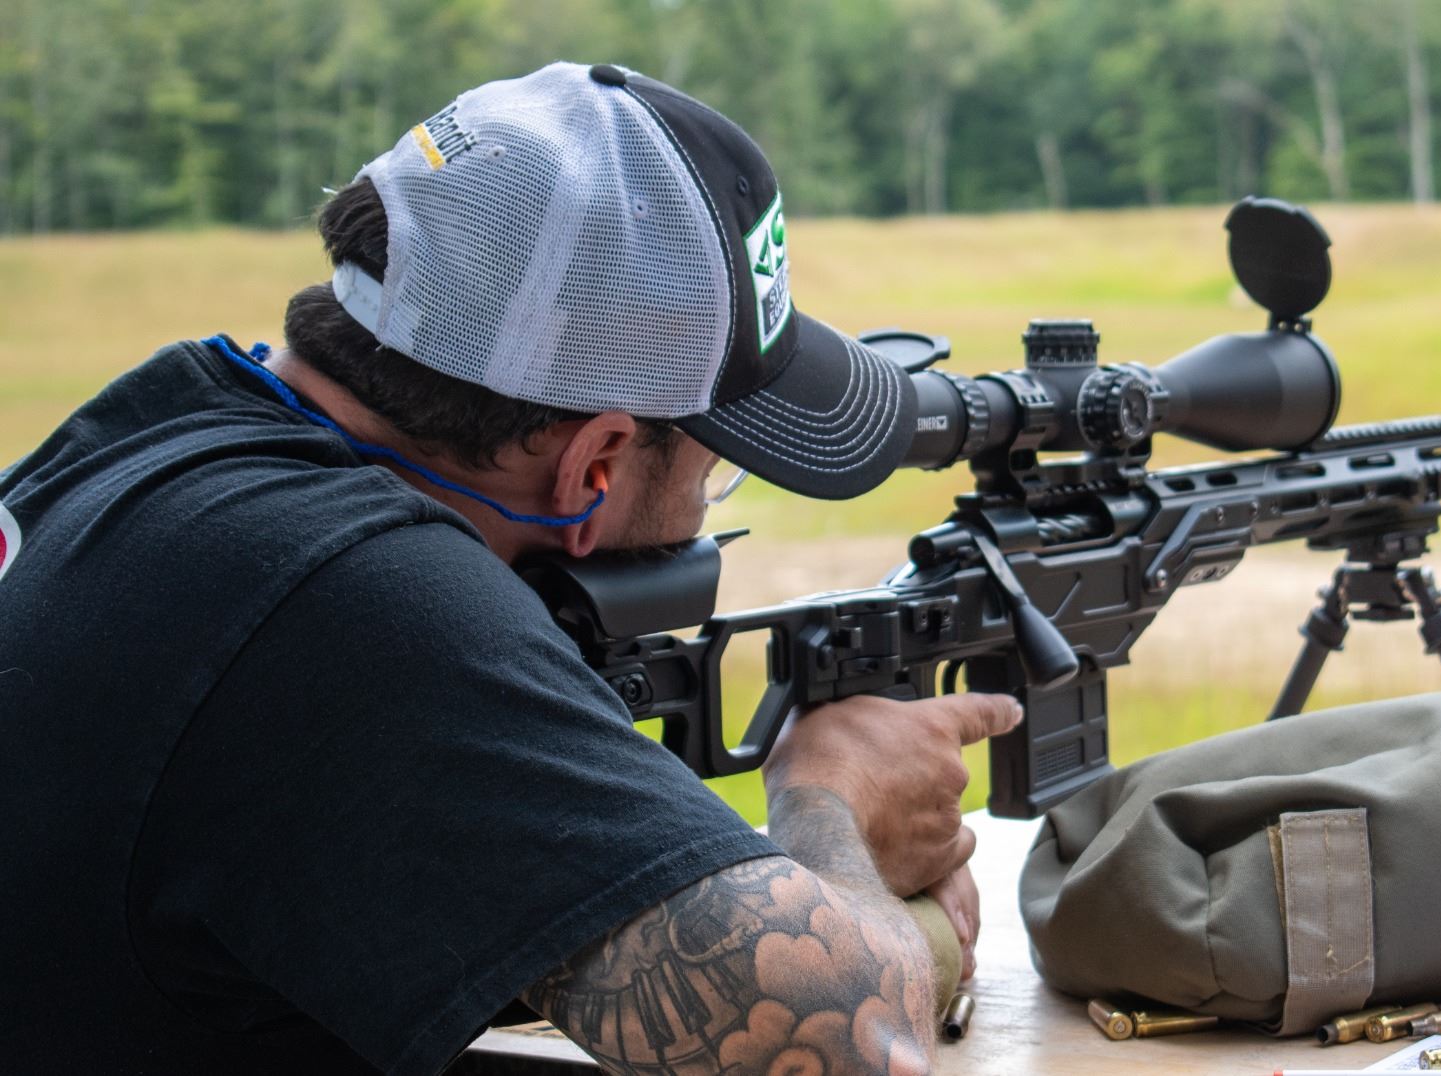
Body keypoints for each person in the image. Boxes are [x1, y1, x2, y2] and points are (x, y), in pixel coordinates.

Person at [0, 62, 1018, 1075]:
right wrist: (828, 800)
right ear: (594, 465)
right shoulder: (350, 600)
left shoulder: (163, 434)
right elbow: (847, 1046)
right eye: (713, 471)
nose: (705, 503)